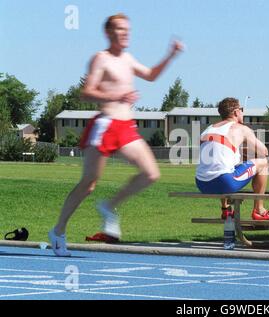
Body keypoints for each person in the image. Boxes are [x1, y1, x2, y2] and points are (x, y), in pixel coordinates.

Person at [48, 13, 183, 256]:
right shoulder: (101, 59)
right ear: (109, 33)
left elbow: (151, 75)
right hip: (105, 125)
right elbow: (86, 92)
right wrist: (114, 96)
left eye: (127, 29)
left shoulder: (128, 58)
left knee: (151, 173)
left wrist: (170, 55)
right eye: (120, 29)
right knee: (88, 184)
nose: (126, 33)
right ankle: (58, 231)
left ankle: (108, 205)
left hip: (125, 126)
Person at [195, 98, 269, 221]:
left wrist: (243, 154)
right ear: (235, 112)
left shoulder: (208, 129)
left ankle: (226, 209)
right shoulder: (241, 128)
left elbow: (219, 158)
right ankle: (259, 210)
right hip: (224, 182)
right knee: (263, 163)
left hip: (201, 183)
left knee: (222, 167)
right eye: (242, 110)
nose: (243, 113)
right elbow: (264, 152)